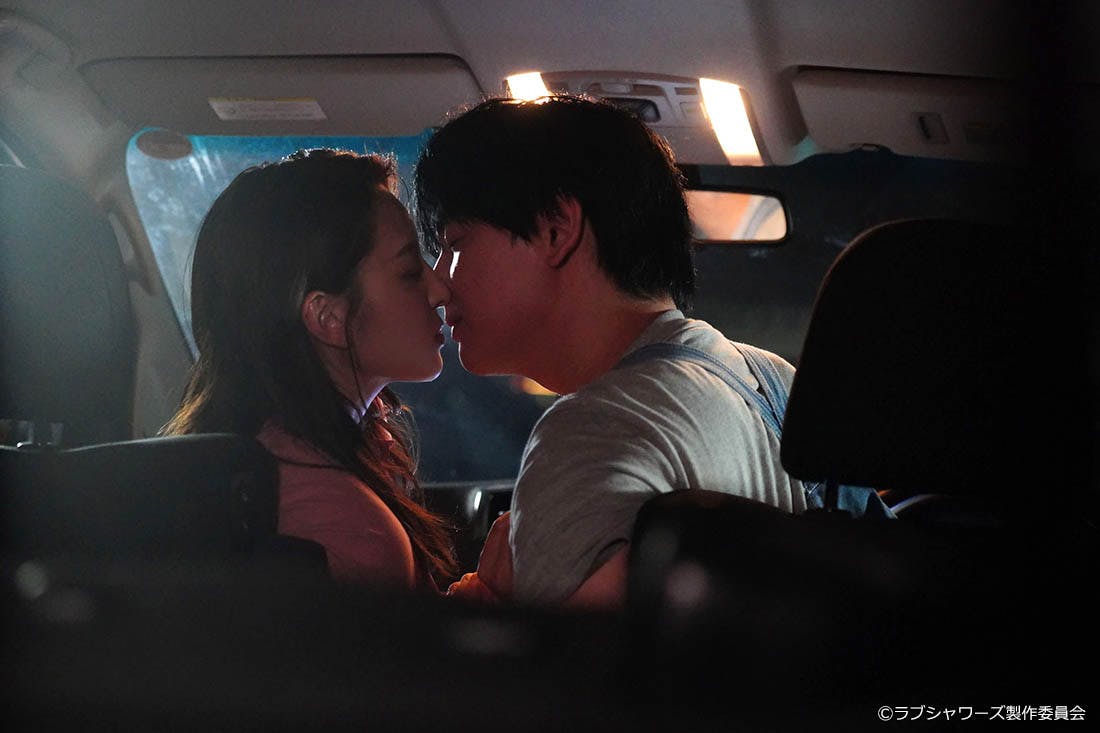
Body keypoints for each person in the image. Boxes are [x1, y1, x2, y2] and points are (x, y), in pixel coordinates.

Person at [414, 96, 808, 608]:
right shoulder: (773, 379)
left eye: (455, 243)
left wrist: (487, 607)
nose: (437, 284)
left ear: (556, 229)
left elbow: (570, 661)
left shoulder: (591, 431)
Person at [163, 148, 458, 591]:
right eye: (410, 271)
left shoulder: (244, 462)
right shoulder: (350, 530)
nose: (439, 289)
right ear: (328, 317)